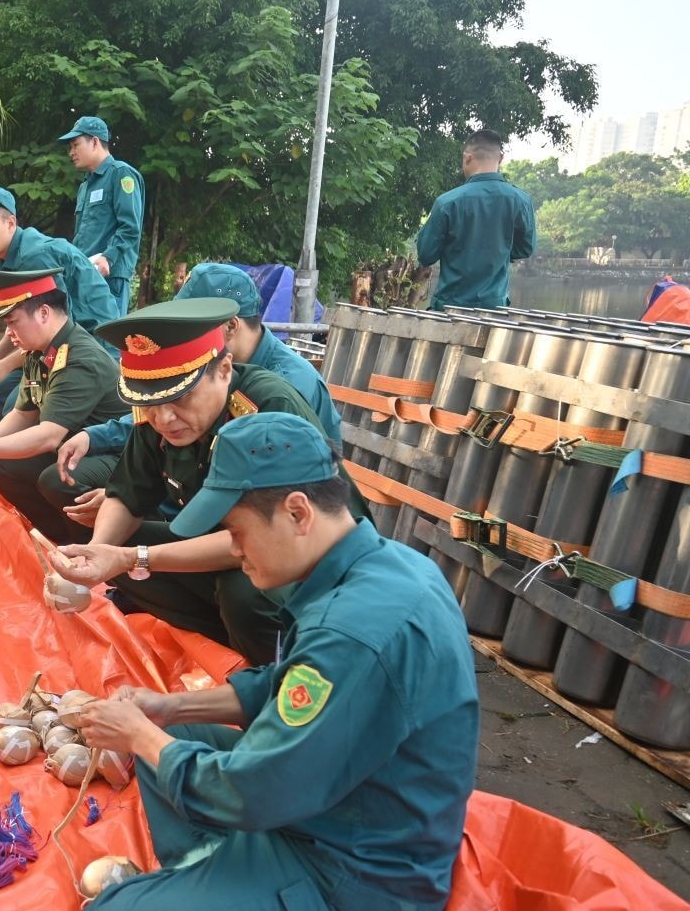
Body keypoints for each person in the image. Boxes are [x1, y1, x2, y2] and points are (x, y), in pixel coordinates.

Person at [73, 413, 478, 911]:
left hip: (352, 871)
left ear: (297, 513)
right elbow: (284, 686)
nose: (234, 550)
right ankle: (203, 870)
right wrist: (167, 710)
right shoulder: (387, 565)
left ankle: (213, 881)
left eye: (237, 532)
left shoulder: (351, 631)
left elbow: (251, 792)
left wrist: (139, 735)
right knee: (176, 737)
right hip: (336, 807)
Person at [44, 299, 367, 666]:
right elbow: (129, 494)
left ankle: (267, 676)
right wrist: (95, 558)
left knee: (242, 595)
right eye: (151, 402)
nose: (164, 417)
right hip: (227, 541)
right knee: (115, 544)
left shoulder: (264, 409)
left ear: (225, 369)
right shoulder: (159, 416)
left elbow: (264, 535)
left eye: (181, 396)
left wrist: (130, 558)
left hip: (297, 554)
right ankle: (213, 644)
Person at [46, 263, 341, 514]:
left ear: (230, 326)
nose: (181, 334)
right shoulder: (200, 368)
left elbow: (272, 491)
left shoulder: (284, 385)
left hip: (259, 504)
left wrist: (136, 509)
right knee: (91, 498)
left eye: (193, 323)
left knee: (121, 519)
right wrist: (95, 436)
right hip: (195, 477)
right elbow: (161, 411)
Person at [0, 269, 126, 544]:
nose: (9, 334)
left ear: (44, 313)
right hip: (72, 447)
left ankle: (90, 548)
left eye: (13, 323)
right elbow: (23, 413)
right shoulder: (40, 351)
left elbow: (49, 435)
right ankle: (56, 537)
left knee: (57, 479)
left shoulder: (80, 358)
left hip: (114, 454)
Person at [0, 183, 122, 422]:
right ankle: (4, 449)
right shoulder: (6, 256)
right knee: (2, 394)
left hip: (91, 350)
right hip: (57, 346)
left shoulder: (33, 258)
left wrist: (4, 366)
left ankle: (38, 451)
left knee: (15, 404)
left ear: (10, 223)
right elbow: (17, 322)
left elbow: (57, 331)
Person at [416, 129, 536, 310]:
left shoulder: (448, 202)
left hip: (449, 309)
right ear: (500, 158)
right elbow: (525, 249)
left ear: (467, 157)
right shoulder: (520, 200)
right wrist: (498, 250)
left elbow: (426, 254)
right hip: (495, 312)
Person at [59, 115, 145, 312]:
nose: (71, 152)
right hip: (83, 276)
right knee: (83, 341)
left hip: (109, 277)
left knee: (107, 339)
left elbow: (130, 228)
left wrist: (109, 257)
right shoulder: (85, 186)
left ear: (95, 142)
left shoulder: (121, 174)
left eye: (75, 145)